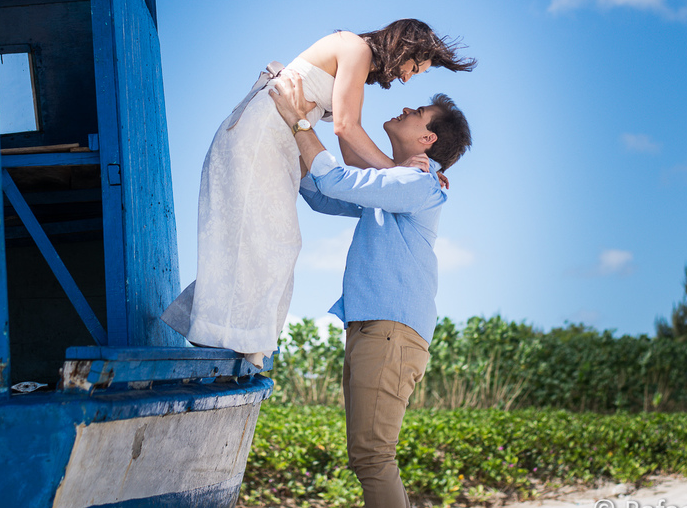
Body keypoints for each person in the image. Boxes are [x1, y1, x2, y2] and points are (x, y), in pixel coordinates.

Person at [162, 19, 475, 366]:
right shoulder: (356, 48)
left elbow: (349, 157)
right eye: (413, 67)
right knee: (273, 239)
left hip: (281, 144)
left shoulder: (358, 65)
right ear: (405, 47)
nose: (406, 77)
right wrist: (398, 172)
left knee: (271, 240)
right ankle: (225, 336)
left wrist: (408, 180)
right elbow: (346, 128)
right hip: (262, 136)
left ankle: (233, 336)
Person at [269, 69, 472, 508]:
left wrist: (301, 122)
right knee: (375, 457)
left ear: (426, 137)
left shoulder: (419, 185)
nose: (404, 108)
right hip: (378, 329)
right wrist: (290, 131)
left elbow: (338, 180)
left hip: (389, 332)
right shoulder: (399, 183)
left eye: (416, 111)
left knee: (373, 457)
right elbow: (324, 193)